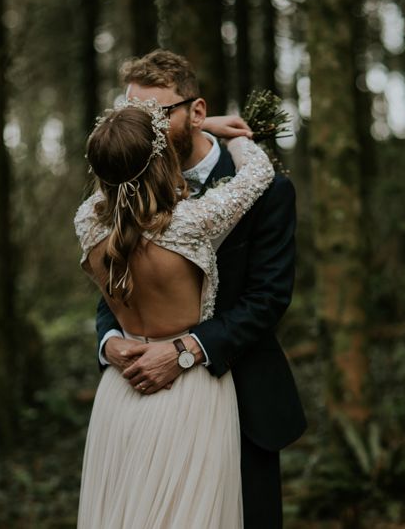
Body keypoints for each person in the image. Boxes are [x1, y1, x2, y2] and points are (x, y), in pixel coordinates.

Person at [95, 50, 307, 528]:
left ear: (195, 110)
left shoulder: (267, 192)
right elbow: (110, 284)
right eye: (133, 113)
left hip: (240, 399)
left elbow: (268, 298)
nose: (141, 127)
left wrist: (186, 350)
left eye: (155, 115)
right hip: (142, 402)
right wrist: (111, 342)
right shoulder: (124, 187)